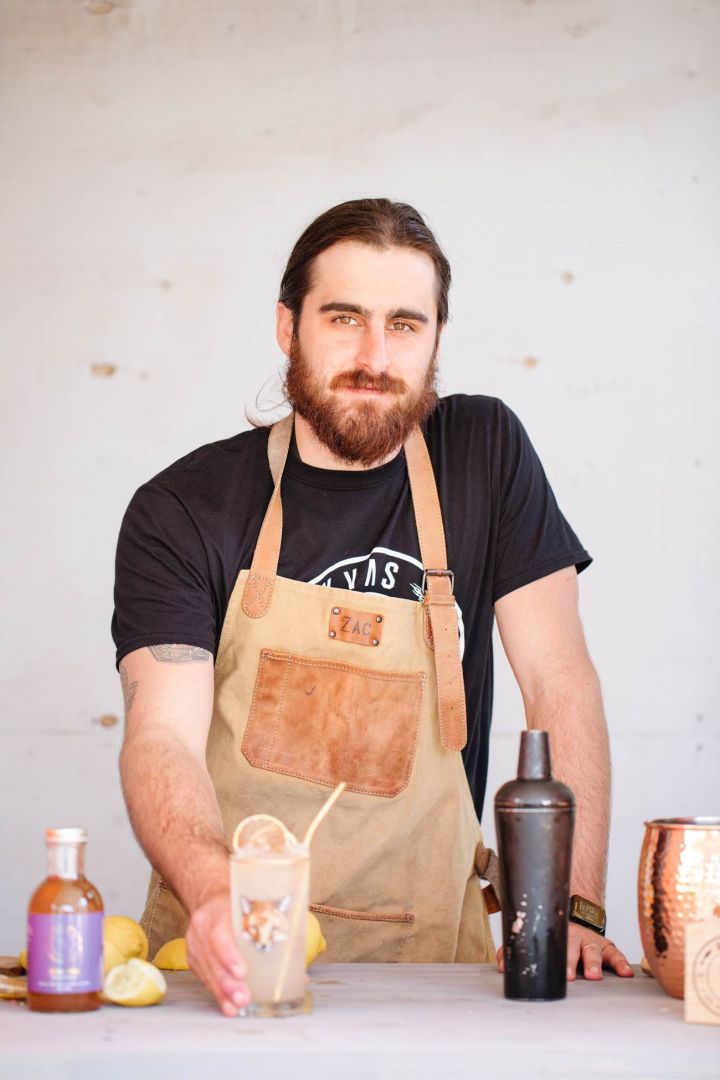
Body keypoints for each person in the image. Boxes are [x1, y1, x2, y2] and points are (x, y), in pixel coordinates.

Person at [112, 198, 633, 1016]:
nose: (374, 357)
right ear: (287, 326)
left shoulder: (484, 456)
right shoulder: (185, 508)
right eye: (345, 318)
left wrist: (576, 908)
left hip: (435, 980)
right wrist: (218, 895)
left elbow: (559, 681)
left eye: (404, 325)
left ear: (436, 338)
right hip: (225, 967)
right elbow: (162, 738)